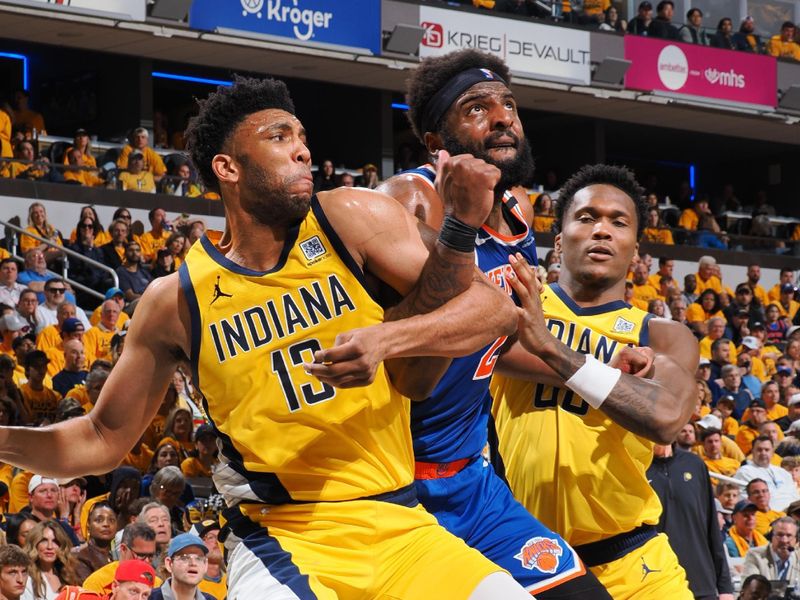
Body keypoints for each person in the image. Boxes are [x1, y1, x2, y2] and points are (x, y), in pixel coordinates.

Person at [0, 75, 527, 599]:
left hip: (399, 520)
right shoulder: (175, 299)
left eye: (302, 138)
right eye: (279, 137)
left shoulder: (349, 217)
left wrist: (388, 340)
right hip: (279, 534)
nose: (302, 151)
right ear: (227, 168)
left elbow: (494, 309)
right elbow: (98, 438)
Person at [378, 49, 609, 597]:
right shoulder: (408, 200)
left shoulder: (519, 208)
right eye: (477, 108)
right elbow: (409, 361)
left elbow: (490, 343)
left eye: (509, 104)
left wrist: (598, 367)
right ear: (435, 142)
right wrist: (460, 228)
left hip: (473, 483)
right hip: (394, 487)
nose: (503, 118)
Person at [491, 164, 698, 598]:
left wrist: (551, 348)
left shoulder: (662, 335)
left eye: (618, 222)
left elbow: (665, 418)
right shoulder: (515, 305)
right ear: (558, 239)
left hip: (632, 564)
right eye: (586, 218)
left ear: (635, 250)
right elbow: (496, 352)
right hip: (526, 560)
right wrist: (607, 366)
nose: (602, 230)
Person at [647, 443, 734, 600]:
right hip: (660, 584)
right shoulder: (638, 467)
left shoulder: (694, 464)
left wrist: (725, 587)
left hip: (702, 583)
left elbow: (712, 526)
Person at [81, 524, 159, 595]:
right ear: (123, 549)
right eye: (141, 555)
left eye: (151, 556)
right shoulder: (97, 583)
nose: (147, 561)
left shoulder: (157, 584)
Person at [735, 436, 799, 511]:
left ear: (772, 452)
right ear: (752, 451)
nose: (763, 453)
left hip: (793, 513)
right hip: (767, 514)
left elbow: (795, 496)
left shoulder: (783, 473)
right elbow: (744, 500)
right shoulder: (744, 472)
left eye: (767, 450)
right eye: (759, 450)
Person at [21, 520, 78, 599]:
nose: (50, 547)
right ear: (34, 544)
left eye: (55, 541)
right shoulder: (26, 578)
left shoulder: (68, 576)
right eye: (44, 541)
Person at [148, 533, 215, 600]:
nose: (193, 563)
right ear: (169, 564)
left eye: (199, 558)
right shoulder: (148, 597)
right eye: (184, 558)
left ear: (205, 565)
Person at [742, 516, 800, 585]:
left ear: (796, 539)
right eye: (780, 535)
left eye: (789, 536)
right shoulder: (755, 556)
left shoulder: (798, 558)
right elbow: (749, 587)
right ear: (771, 537)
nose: (784, 540)